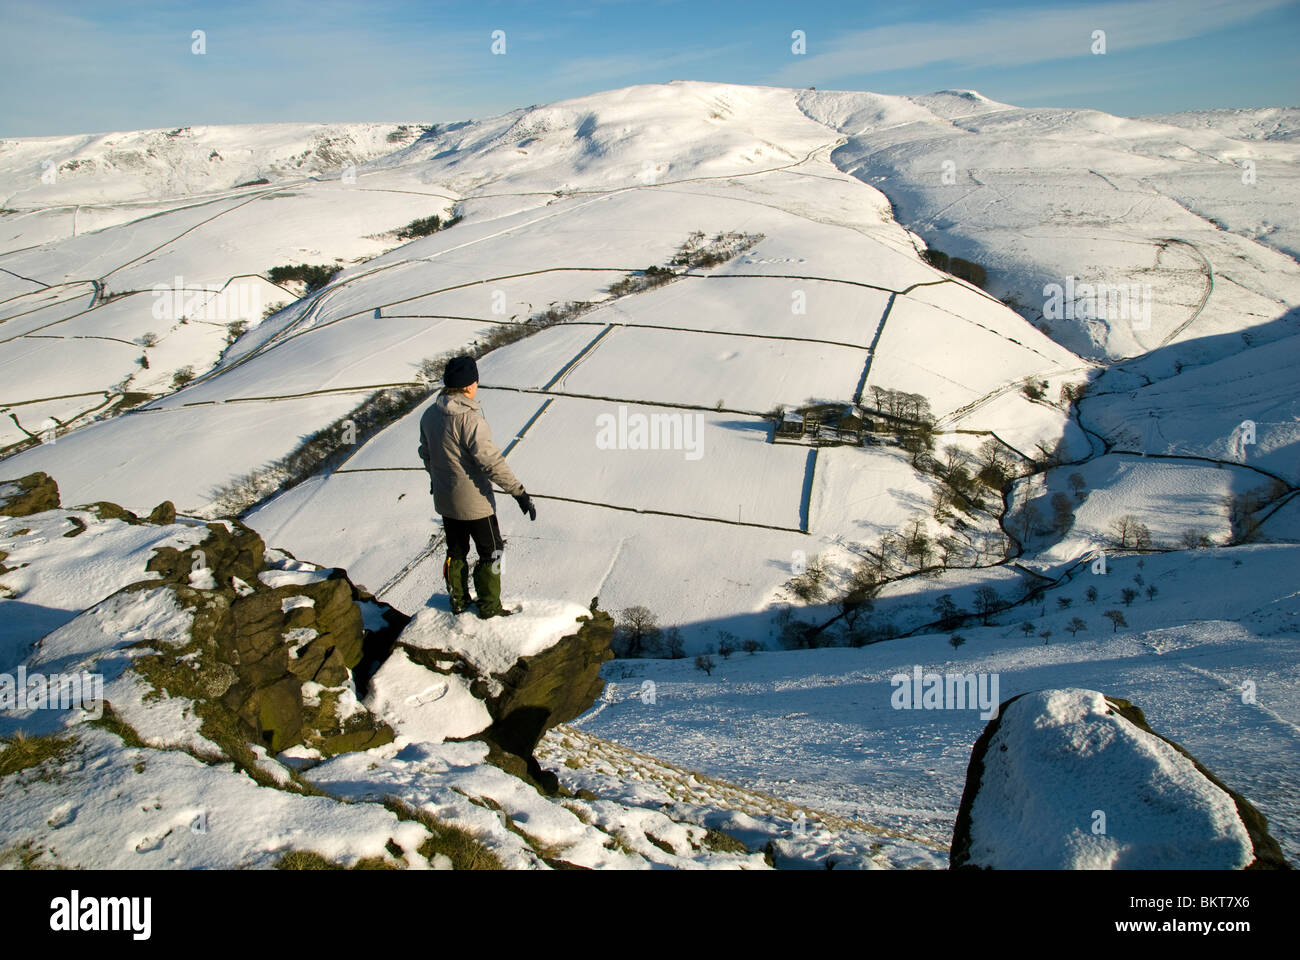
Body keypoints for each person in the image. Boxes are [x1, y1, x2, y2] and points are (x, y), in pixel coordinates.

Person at [417, 355, 536, 617]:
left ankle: (458, 600)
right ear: (470, 385)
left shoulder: (429, 415)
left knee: (455, 550)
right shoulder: (471, 421)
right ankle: (489, 607)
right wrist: (519, 493)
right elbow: (491, 462)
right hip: (475, 503)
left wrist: (436, 481)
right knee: (491, 552)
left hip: (446, 500)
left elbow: (426, 454)